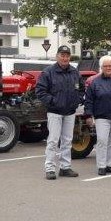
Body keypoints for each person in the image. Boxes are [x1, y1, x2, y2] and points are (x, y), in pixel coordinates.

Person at [36, 45, 84, 180]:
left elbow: (81, 89)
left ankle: (65, 167)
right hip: (54, 112)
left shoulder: (75, 72)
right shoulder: (48, 72)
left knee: (67, 141)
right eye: (62, 55)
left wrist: (77, 100)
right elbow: (40, 91)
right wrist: (53, 102)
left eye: (67, 55)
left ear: (69, 57)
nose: (65, 58)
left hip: (70, 111)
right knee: (53, 140)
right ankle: (50, 168)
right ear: (57, 56)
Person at [84, 55, 111, 175]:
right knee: (102, 140)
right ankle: (101, 166)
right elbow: (89, 100)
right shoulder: (95, 82)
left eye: (110, 66)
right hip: (101, 116)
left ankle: (109, 164)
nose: (108, 68)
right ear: (101, 67)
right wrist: (88, 115)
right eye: (105, 66)